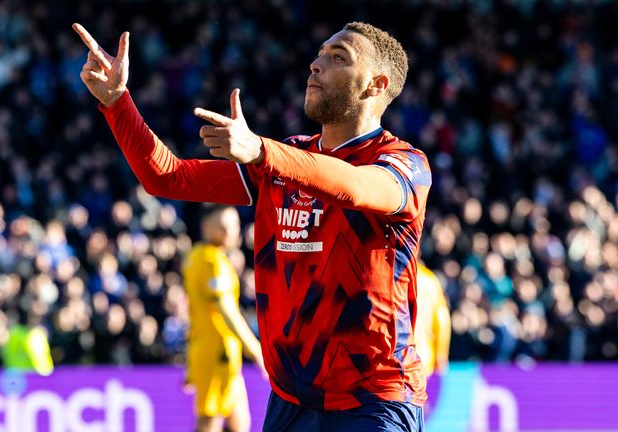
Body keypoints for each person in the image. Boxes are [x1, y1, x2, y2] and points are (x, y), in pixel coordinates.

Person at [72, 20, 431, 431]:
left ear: (375, 84)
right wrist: (118, 103)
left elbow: (353, 187)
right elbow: (166, 177)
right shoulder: (284, 160)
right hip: (291, 400)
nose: (316, 65)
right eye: (319, 54)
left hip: (372, 400)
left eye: (337, 58)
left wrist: (261, 151)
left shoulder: (403, 164)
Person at [182, 205, 264, 432]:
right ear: (207, 227)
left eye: (234, 226)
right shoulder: (211, 261)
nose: (231, 232)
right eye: (224, 227)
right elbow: (225, 309)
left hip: (218, 352)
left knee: (240, 421)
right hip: (216, 353)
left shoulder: (197, 256)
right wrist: (255, 350)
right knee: (209, 421)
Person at [413, 262, 451, 377]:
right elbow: (442, 319)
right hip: (422, 353)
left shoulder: (391, 272)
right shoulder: (429, 280)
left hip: (391, 353)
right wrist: (441, 354)